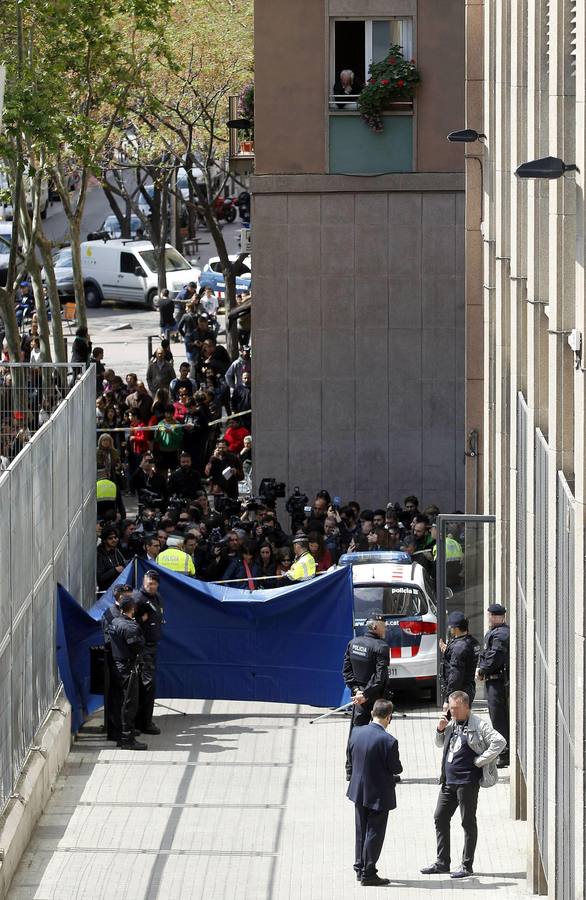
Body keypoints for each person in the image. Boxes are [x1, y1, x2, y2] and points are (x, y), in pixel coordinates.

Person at [421, 690, 506, 879]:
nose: (453, 712)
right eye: (451, 708)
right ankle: (442, 862)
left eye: (456, 708)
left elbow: (499, 741)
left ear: (467, 706)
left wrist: (480, 760)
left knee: (467, 822)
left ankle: (467, 865)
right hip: (448, 782)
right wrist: (440, 728)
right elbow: (438, 743)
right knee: (440, 817)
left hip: (467, 783)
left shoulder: (479, 725)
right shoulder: (450, 722)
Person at [347, 699, 402, 886]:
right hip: (379, 794)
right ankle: (368, 872)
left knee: (361, 830)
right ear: (389, 717)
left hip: (358, 791)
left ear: (372, 713)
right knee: (374, 833)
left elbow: (351, 757)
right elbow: (396, 768)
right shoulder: (389, 741)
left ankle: (359, 867)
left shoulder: (356, 732)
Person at [342, 614, 389, 780]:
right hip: (375, 698)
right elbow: (380, 677)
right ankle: (380, 771)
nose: (386, 628)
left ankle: (351, 770)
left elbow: (346, 671)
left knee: (355, 733)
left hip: (360, 697)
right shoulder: (381, 647)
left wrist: (356, 691)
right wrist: (366, 694)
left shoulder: (353, 643)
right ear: (375, 627)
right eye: (384, 625)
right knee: (379, 735)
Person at [108, 593, 148, 750]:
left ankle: (120, 736)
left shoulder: (114, 621)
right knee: (130, 704)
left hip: (117, 665)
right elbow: (138, 646)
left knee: (119, 702)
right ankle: (127, 740)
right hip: (128, 668)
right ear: (132, 608)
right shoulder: (130, 627)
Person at [476, 603, 510, 767]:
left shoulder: (501, 634)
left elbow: (494, 657)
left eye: (489, 615)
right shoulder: (494, 632)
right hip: (493, 680)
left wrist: (483, 670)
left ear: (496, 616)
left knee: (499, 718)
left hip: (498, 682)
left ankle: (504, 753)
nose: (488, 618)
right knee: (496, 716)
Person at [133, 570, 165, 735]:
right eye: (148, 584)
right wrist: (140, 620)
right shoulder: (138, 599)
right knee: (147, 685)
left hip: (152, 646)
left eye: (153, 584)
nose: (150, 587)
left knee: (147, 684)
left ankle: (143, 720)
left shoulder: (157, 597)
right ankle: (144, 723)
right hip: (143, 648)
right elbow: (129, 621)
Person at [101, 583, 132, 743]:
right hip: (115, 660)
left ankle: (119, 731)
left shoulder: (119, 613)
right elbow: (110, 640)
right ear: (121, 597)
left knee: (119, 697)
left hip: (118, 659)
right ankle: (118, 732)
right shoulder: (112, 615)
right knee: (118, 698)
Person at [439, 612, 480, 704]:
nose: (450, 629)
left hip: (458, 693)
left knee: (455, 718)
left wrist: (448, 699)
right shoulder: (472, 642)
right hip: (468, 689)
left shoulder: (459, 647)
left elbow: (455, 676)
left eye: (451, 627)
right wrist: (448, 651)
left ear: (456, 629)